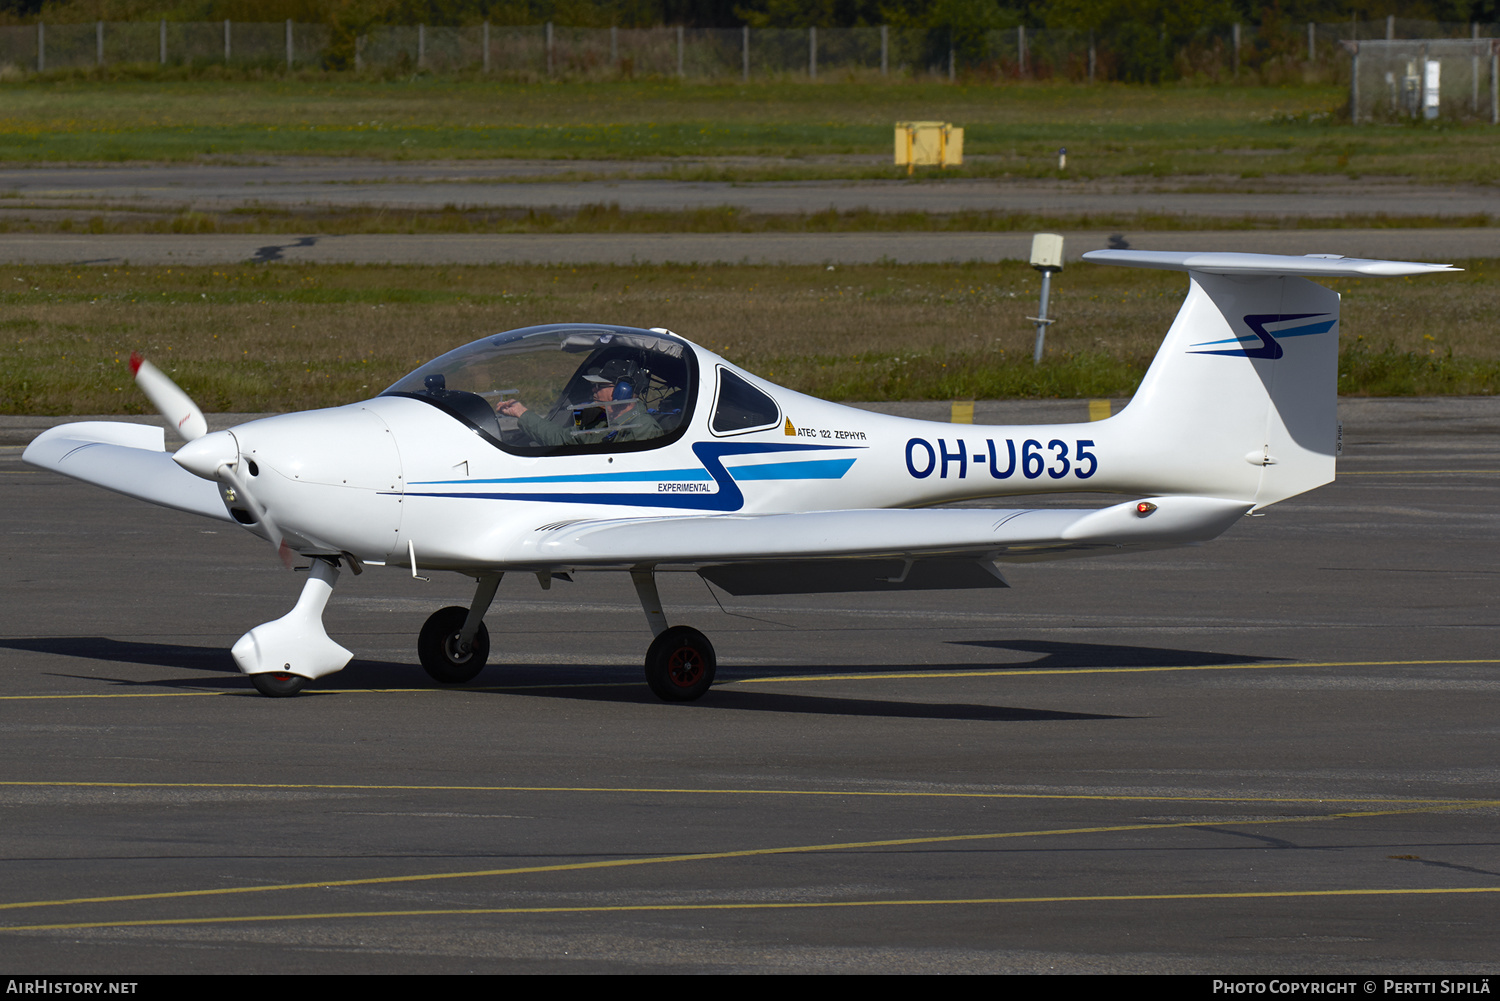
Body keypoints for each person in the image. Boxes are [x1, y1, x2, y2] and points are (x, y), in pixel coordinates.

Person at [497, 358, 663, 447]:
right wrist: (521, 412)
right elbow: (561, 438)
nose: (594, 390)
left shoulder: (643, 429)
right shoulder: (600, 416)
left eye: (600, 386)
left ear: (622, 391)